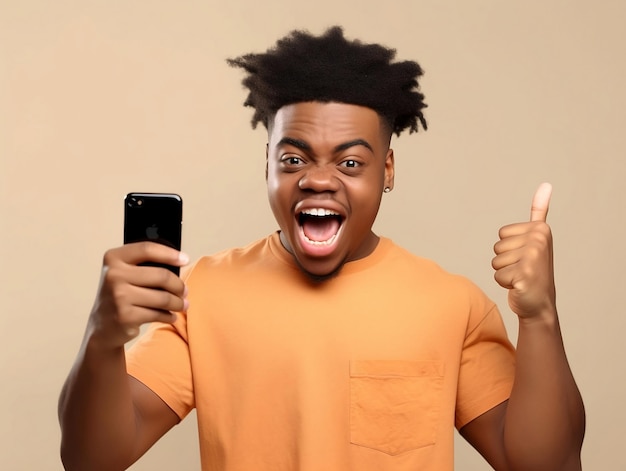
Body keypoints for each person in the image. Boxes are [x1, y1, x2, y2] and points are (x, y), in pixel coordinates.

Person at [58, 26, 585, 470]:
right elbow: (93, 458)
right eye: (293, 159)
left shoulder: (452, 304)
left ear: (389, 170)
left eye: (350, 163)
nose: (319, 180)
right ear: (266, 165)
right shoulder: (204, 294)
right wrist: (102, 336)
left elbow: (544, 465)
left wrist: (541, 318)